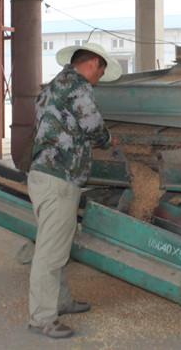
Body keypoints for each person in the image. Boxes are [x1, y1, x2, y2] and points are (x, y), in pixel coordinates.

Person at [26, 42, 122, 339]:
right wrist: (107, 139)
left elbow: (61, 127)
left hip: (47, 175)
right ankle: (42, 318)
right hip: (58, 177)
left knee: (57, 245)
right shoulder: (77, 85)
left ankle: (62, 302)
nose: (97, 81)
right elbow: (93, 124)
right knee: (49, 253)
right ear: (93, 63)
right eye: (100, 74)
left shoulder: (52, 87)